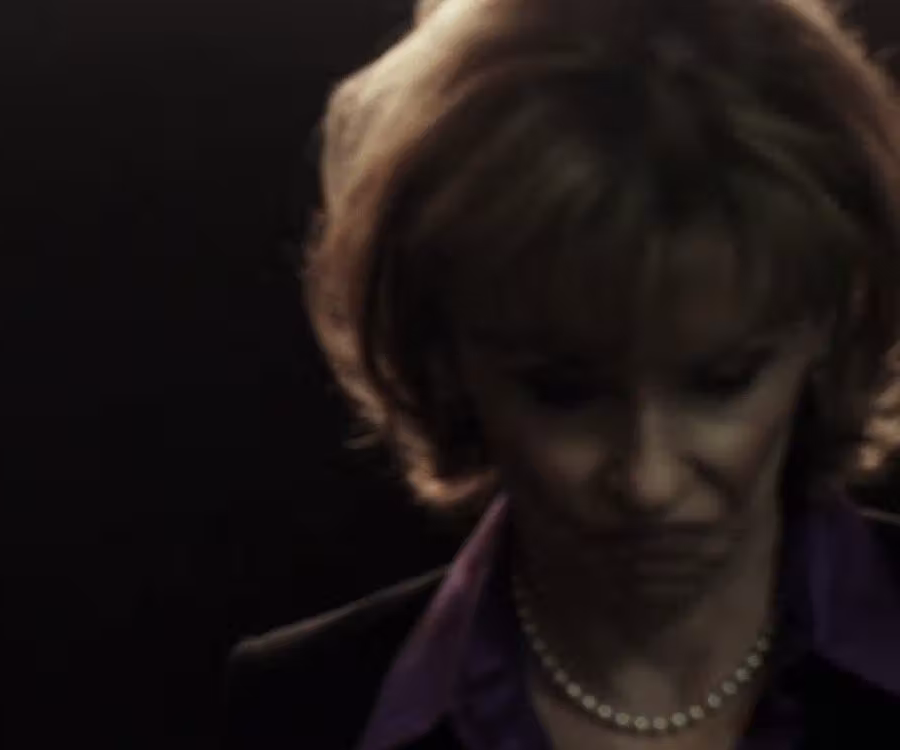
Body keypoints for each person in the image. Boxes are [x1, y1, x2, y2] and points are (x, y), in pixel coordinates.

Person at [224, 0, 900, 747]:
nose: (647, 481)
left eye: (723, 382)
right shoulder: (301, 712)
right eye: (564, 393)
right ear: (446, 361)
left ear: (832, 330)